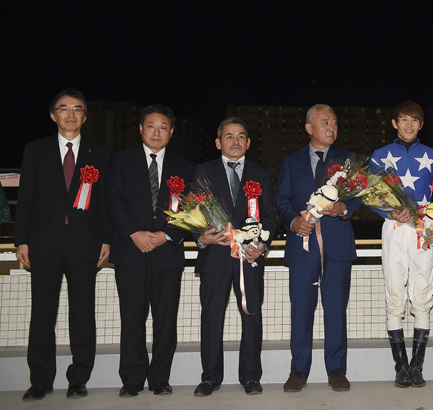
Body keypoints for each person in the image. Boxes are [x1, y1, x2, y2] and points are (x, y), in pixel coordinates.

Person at [15, 89, 111, 401]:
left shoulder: (100, 153)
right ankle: (40, 380)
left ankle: (78, 378)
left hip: (85, 244)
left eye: (77, 109)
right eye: (64, 108)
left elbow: (104, 202)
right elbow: (25, 199)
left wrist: (106, 238)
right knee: (42, 313)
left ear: (85, 116)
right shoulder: (35, 150)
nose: (71, 114)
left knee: (82, 314)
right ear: (53, 114)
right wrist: (21, 241)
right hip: (43, 245)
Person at [106, 104, 195, 397]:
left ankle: (160, 378)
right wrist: (134, 233)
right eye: (151, 126)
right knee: (132, 318)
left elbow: (191, 210)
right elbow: (113, 200)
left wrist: (166, 235)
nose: (157, 132)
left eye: (163, 127)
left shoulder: (185, 167)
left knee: (166, 320)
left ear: (172, 132)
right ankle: (132, 379)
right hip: (130, 252)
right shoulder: (121, 160)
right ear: (140, 129)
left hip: (167, 253)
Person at [276, 104, 361, 392]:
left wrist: (343, 207)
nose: (331, 127)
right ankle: (298, 370)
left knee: (336, 309)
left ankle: (336, 369)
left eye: (334, 122)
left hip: (337, 246)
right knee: (301, 309)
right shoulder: (291, 161)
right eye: (325, 122)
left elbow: (359, 196)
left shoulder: (347, 160)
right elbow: (282, 201)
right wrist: (293, 222)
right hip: (302, 246)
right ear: (309, 128)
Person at [192, 118, 276, 396]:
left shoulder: (260, 173)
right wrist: (200, 237)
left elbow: (269, 218)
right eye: (229, 136)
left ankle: (250, 376)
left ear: (248, 143)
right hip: (214, 256)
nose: (235, 141)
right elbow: (192, 213)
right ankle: (210, 377)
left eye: (241, 136)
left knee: (251, 316)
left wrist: (262, 246)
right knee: (211, 318)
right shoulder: (203, 171)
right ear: (218, 142)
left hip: (249, 257)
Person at [369, 100, 433, 388]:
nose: (409, 124)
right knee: (394, 293)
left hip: (424, 229)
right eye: (403, 119)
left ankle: (417, 367)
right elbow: (370, 196)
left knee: (422, 293)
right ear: (394, 123)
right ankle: (400, 367)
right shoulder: (379, 156)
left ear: (421, 124)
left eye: (414, 120)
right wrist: (388, 212)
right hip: (393, 228)